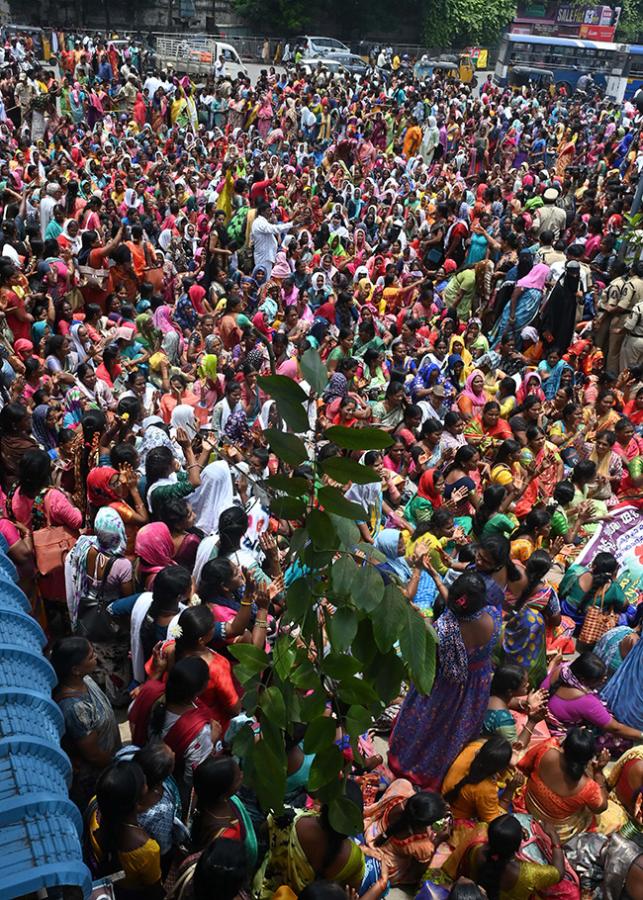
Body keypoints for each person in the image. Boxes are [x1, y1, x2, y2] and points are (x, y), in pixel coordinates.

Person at [389, 573, 501, 789]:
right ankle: (442, 771)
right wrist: (437, 578)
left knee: (426, 724)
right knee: (454, 730)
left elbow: (447, 667)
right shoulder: (493, 616)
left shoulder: (447, 628)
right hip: (477, 683)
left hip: (445, 687)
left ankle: (409, 764)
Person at [51, 636, 121, 813]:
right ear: (75, 669)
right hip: (96, 775)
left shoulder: (84, 680)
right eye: (90, 656)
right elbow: (94, 755)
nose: (96, 657)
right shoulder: (75, 708)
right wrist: (116, 763)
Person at [518, 727, 609, 841]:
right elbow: (600, 808)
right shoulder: (588, 787)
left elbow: (524, 765)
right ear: (590, 758)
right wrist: (599, 773)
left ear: (565, 745)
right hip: (555, 829)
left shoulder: (547, 749)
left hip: (529, 804)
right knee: (614, 816)